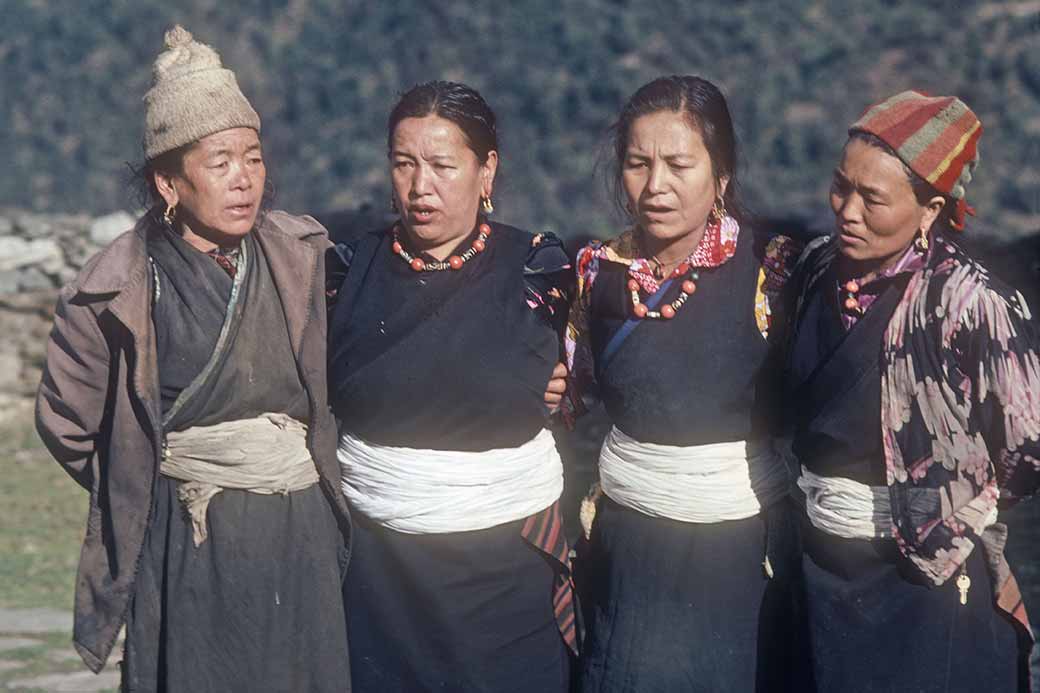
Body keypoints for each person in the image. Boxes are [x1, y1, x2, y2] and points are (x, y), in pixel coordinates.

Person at [35, 26, 352, 691]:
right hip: (187, 533)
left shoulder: (301, 256)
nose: (244, 180)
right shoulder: (117, 284)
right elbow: (68, 419)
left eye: (253, 157)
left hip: (299, 529)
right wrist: (144, 468)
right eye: (219, 161)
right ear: (168, 182)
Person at [781, 90, 1040, 691]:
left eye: (873, 198)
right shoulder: (815, 269)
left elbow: (1028, 447)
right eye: (841, 186)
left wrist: (953, 494)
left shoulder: (972, 305)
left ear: (930, 210)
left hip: (924, 573)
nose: (847, 210)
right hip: (822, 560)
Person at [326, 80, 577, 692]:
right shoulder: (344, 272)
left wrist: (562, 387)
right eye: (403, 163)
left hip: (506, 576)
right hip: (382, 579)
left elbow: (594, 378)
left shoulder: (539, 269)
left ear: (486, 169)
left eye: (443, 165)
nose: (420, 187)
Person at [565, 75, 803, 691]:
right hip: (631, 545)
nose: (656, 186)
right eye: (638, 164)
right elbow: (570, 388)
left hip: (738, 547)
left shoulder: (771, 271)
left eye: (679, 164)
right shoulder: (599, 272)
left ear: (721, 174)